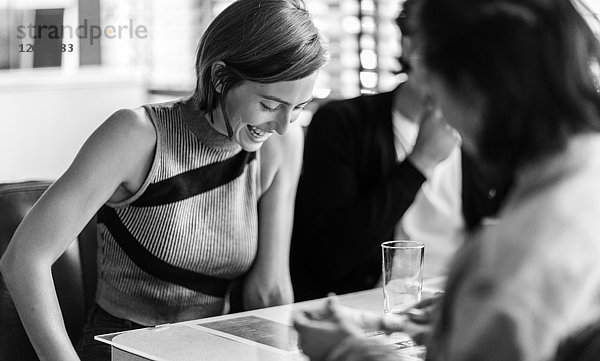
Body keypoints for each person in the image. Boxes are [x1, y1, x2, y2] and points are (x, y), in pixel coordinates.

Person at [0, 0, 326, 360]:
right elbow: (24, 259)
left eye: (298, 108)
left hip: (214, 351)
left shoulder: (282, 145)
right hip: (121, 350)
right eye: (269, 105)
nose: (282, 125)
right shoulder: (136, 135)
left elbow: (270, 290)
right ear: (219, 77)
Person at [293, 0, 600, 360]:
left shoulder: (505, 261)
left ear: (471, 90)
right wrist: (464, 319)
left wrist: (344, 350)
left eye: (436, 85)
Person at [290, 0, 510, 302]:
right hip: (369, 306)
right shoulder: (343, 123)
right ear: (411, 48)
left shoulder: (486, 136)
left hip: (456, 306)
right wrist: (419, 164)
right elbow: (330, 257)